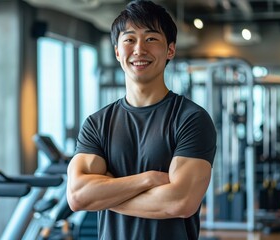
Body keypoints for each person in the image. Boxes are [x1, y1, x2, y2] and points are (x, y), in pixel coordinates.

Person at [66, 0, 217, 239]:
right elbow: (77, 196)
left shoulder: (191, 119)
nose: (139, 50)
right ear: (117, 51)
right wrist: (149, 179)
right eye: (129, 40)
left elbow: (180, 202)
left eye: (151, 39)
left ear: (170, 50)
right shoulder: (97, 123)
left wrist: (103, 195)